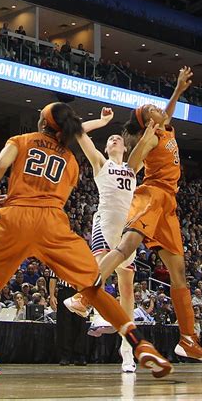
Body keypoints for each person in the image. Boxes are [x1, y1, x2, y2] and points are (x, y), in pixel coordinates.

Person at [0, 102, 172, 378]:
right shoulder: (72, 161)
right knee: (93, 287)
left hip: (18, 219)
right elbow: (54, 190)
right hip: (55, 222)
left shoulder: (22, 140)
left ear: (43, 123)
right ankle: (140, 343)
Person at [70, 67, 202, 362]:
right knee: (127, 248)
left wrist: (179, 90)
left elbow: (167, 113)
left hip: (169, 203)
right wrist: (143, 138)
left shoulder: (165, 127)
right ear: (147, 123)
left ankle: (187, 338)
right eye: (152, 110)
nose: (158, 109)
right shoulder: (152, 137)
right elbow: (132, 163)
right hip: (150, 196)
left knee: (178, 272)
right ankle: (84, 295)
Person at [65, 107, 140, 372]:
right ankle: (94, 311)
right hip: (104, 223)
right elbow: (79, 131)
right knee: (101, 272)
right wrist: (103, 121)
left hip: (127, 229)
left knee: (127, 290)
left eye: (116, 138)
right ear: (106, 149)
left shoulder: (133, 167)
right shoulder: (100, 163)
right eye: (109, 140)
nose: (113, 139)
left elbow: (146, 146)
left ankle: (127, 349)